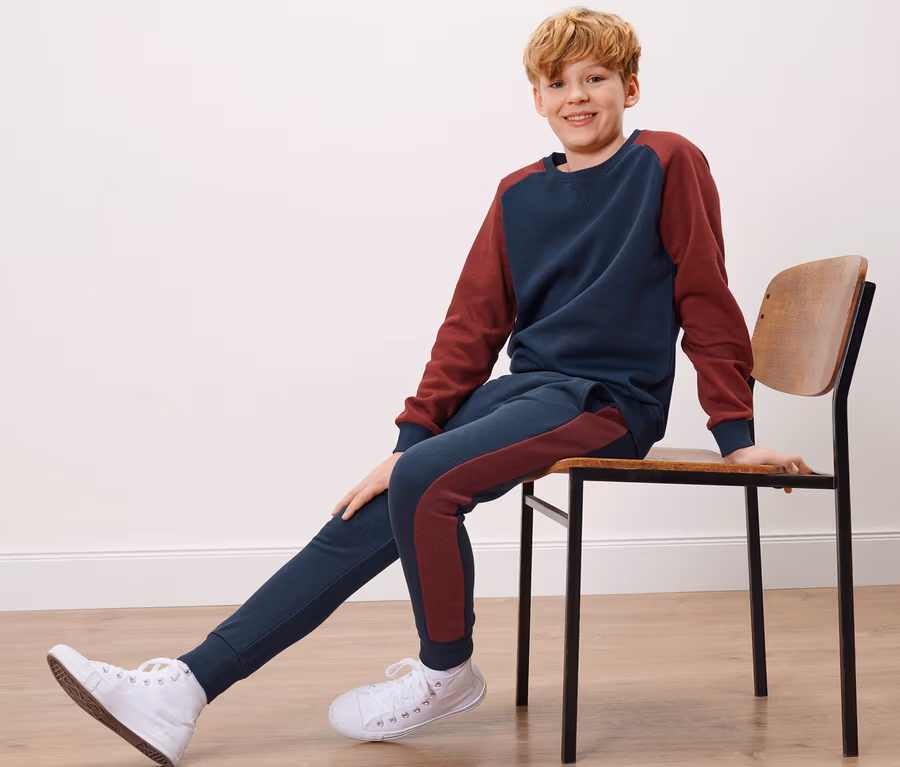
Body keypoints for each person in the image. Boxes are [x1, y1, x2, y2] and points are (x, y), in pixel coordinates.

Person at [46, 7, 814, 765]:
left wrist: (735, 439)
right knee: (381, 495)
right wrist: (409, 440)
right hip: (525, 393)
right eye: (558, 83)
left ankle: (446, 669)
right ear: (537, 99)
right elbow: (470, 326)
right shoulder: (517, 193)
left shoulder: (667, 162)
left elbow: (705, 299)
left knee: (421, 481)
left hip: (608, 402)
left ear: (631, 89)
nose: (577, 96)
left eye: (596, 79)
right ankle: (185, 686)